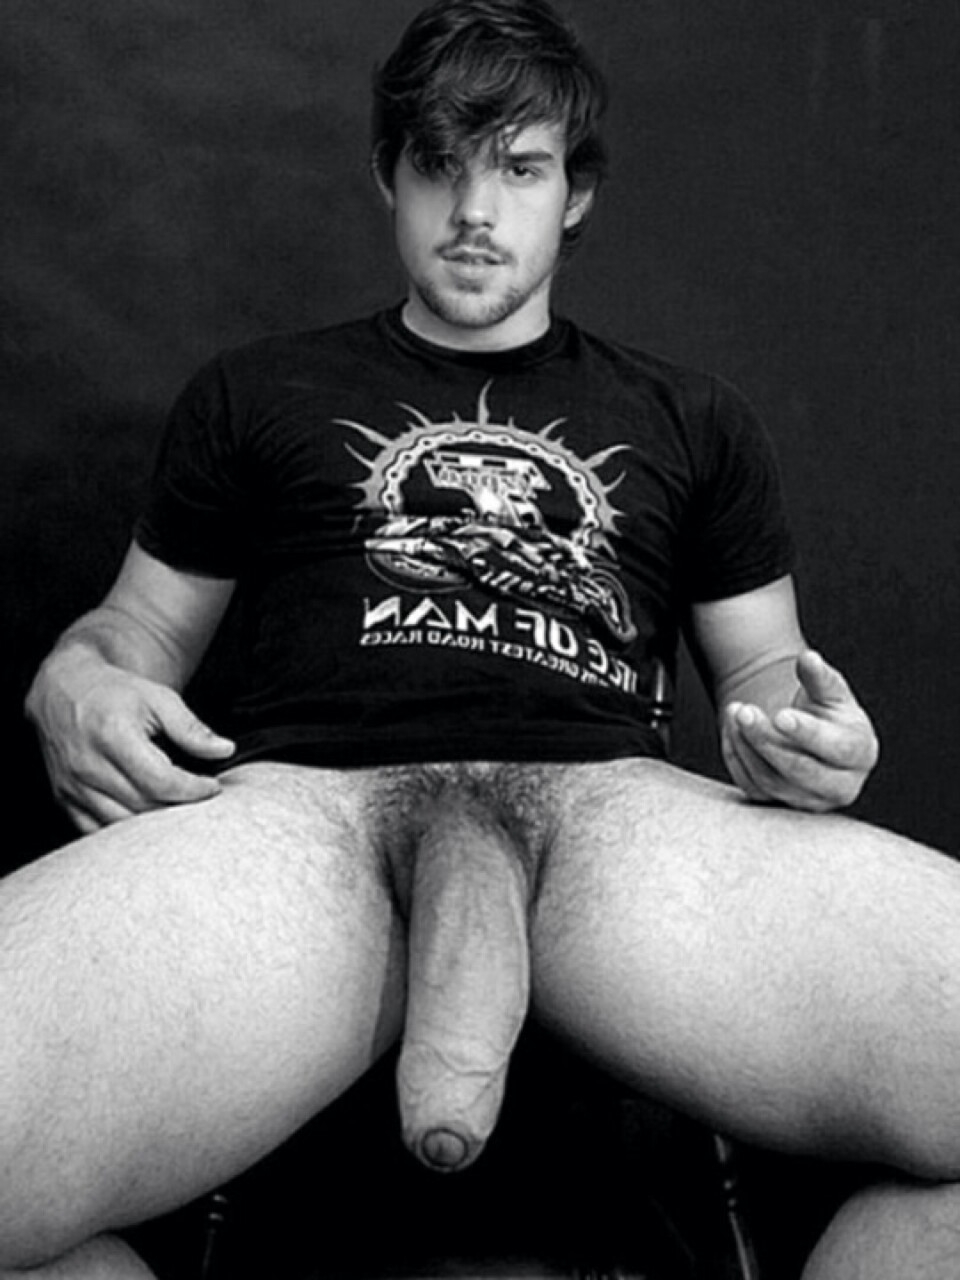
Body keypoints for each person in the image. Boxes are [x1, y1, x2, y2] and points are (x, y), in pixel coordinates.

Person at [12, 1, 960, 1276]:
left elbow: (763, 672)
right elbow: (133, 630)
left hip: (615, 830)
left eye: (519, 168)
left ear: (576, 194)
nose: (474, 209)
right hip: (304, 826)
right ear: (386, 176)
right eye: (439, 165)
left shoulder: (695, 418)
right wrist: (76, 677)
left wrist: (811, 738)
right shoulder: (254, 392)